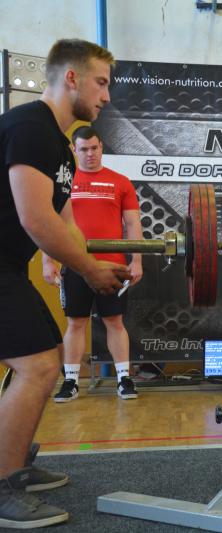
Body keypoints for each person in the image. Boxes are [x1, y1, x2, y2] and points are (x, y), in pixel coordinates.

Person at [0, 39, 130, 528]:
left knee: (49, 354)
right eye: (101, 83)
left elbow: (66, 222)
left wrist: (94, 263)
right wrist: (89, 270)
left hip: (8, 266)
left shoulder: (60, 147)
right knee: (36, 366)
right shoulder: (30, 127)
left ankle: (14, 463)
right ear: (71, 78)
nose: (107, 96)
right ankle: (1, 484)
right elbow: (35, 219)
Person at [42, 126, 143, 402]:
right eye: (84, 149)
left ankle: (124, 379)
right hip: (75, 264)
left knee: (114, 321)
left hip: (113, 266)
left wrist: (137, 260)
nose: (90, 154)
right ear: (74, 150)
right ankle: (71, 381)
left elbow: (133, 224)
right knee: (75, 322)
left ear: (102, 147)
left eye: (94, 148)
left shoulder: (121, 182)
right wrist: (47, 260)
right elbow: (48, 223)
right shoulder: (62, 184)